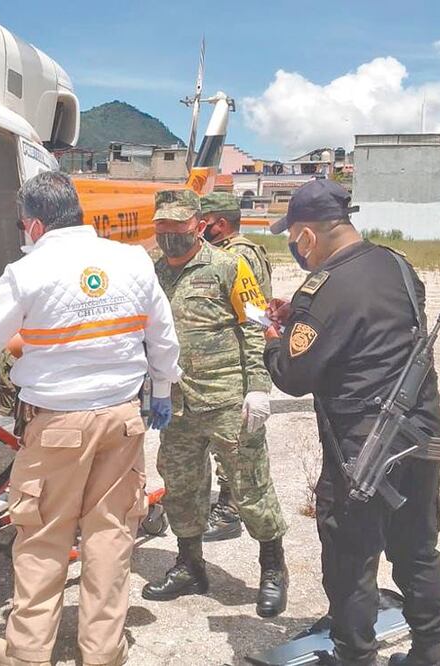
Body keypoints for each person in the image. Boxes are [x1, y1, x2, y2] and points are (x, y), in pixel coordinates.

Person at [0, 171, 181, 666]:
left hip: (58, 424)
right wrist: (161, 388)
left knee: (42, 534)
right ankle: (102, 651)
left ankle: (28, 654)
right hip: (123, 421)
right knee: (110, 533)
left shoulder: (28, 271)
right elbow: (163, 336)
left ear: (34, 224)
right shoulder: (132, 260)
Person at [262, 179, 440, 666]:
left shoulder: (322, 289)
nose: (295, 247)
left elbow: (293, 375)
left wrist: (275, 337)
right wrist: (300, 319)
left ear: (307, 236)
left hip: (361, 452)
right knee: (418, 549)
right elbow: (372, 327)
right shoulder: (396, 264)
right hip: (421, 434)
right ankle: (430, 653)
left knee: (351, 560)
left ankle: (354, 655)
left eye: (293, 237)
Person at [142, 189, 289, 620]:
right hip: (178, 404)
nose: (170, 235)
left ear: (199, 224)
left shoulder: (229, 266)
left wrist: (259, 386)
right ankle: (190, 565)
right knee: (182, 488)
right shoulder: (152, 275)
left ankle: (272, 568)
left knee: (250, 485)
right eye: (162, 227)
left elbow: (257, 325)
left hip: (227, 399)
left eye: (178, 226)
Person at [198, 191, 275, 542]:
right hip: (238, 355)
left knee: (235, 442)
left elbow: (253, 313)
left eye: (206, 223)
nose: (201, 229)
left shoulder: (236, 255)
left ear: (221, 223)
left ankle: (230, 511)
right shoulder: (244, 249)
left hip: (238, 358)